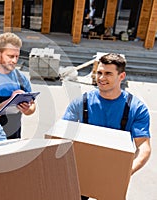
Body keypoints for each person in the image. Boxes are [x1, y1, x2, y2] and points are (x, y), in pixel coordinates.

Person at [62, 53, 151, 200]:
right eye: (99, 73)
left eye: (108, 73)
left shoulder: (136, 108)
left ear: (121, 76)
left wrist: (127, 171)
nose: (101, 78)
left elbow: (143, 146)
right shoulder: (81, 102)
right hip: (82, 171)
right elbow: (63, 135)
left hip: (114, 174)